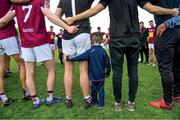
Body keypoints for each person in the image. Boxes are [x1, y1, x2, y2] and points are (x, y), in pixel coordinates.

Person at [64, 0, 179, 111]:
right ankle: (131, 103)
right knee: (133, 71)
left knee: (117, 73)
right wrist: (172, 11)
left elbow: (93, 11)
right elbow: (152, 9)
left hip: (117, 38)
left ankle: (118, 103)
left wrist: (73, 18)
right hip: (133, 38)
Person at [0, 0, 78, 109]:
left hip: (26, 43)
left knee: (30, 73)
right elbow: (50, 16)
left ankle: (35, 100)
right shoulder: (40, 1)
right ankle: (49, 98)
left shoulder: (15, 4)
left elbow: (3, 21)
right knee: (51, 70)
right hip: (40, 41)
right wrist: (67, 27)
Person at [55, 0, 92, 109]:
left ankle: (68, 99)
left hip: (67, 35)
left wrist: (66, 24)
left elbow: (56, 16)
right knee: (83, 69)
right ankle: (87, 99)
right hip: (82, 32)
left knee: (68, 70)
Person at [67, 32, 111, 110]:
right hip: (101, 76)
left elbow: (80, 56)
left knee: (93, 90)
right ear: (101, 41)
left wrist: (70, 58)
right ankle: (101, 104)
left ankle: (94, 101)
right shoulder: (103, 51)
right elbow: (108, 63)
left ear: (91, 41)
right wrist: (107, 72)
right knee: (101, 90)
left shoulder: (90, 51)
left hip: (93, 76)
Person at [0, 0, 30, 106]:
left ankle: (3, 97)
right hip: (8, 36)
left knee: (2, 67)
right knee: (22, 63)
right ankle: (25, 91)